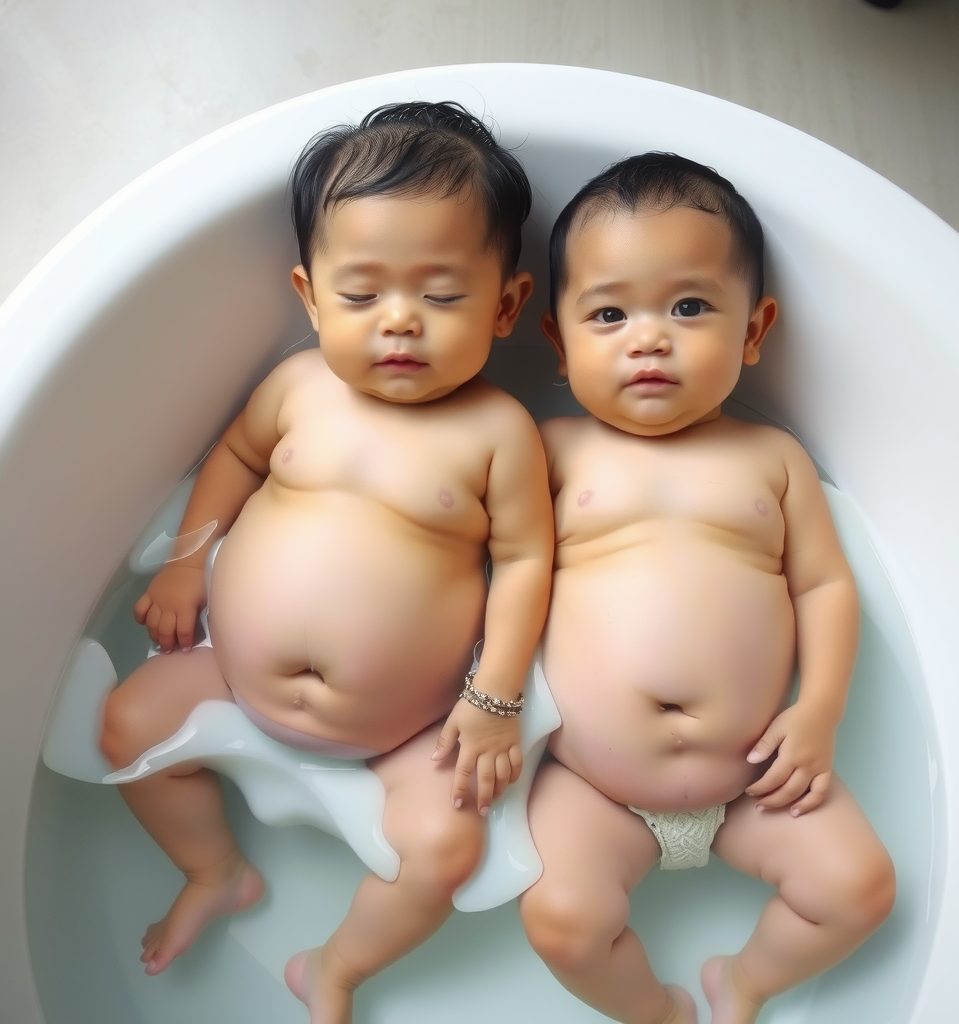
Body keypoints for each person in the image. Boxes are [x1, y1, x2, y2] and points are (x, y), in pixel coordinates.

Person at [100, 101, 554, 1024]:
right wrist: (188, 566)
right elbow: (232, 457)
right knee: (125, 728)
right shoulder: (298, 388)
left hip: (405, 731)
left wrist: (495, 698)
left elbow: (527, 560)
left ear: (506, 305)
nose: (399, 323)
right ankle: (213, 870)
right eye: (360, 296)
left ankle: (336, 965)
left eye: (441, 295)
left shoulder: (499, 433)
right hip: (226, 676)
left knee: (445, 848)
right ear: (309, 297)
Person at [519, 153, 895, 1024]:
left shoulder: (774, 461)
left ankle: (748, 981)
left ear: (754, 329)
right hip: (588, 784)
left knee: (860, 888)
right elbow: (488, 567)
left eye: (689, 306)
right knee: (563, 921)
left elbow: (827, 588)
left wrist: (820, 711)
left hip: (756, 777)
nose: (648, 337)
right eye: (608, 313)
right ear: (558, 340)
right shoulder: (551, 451)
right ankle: (656, 1012)